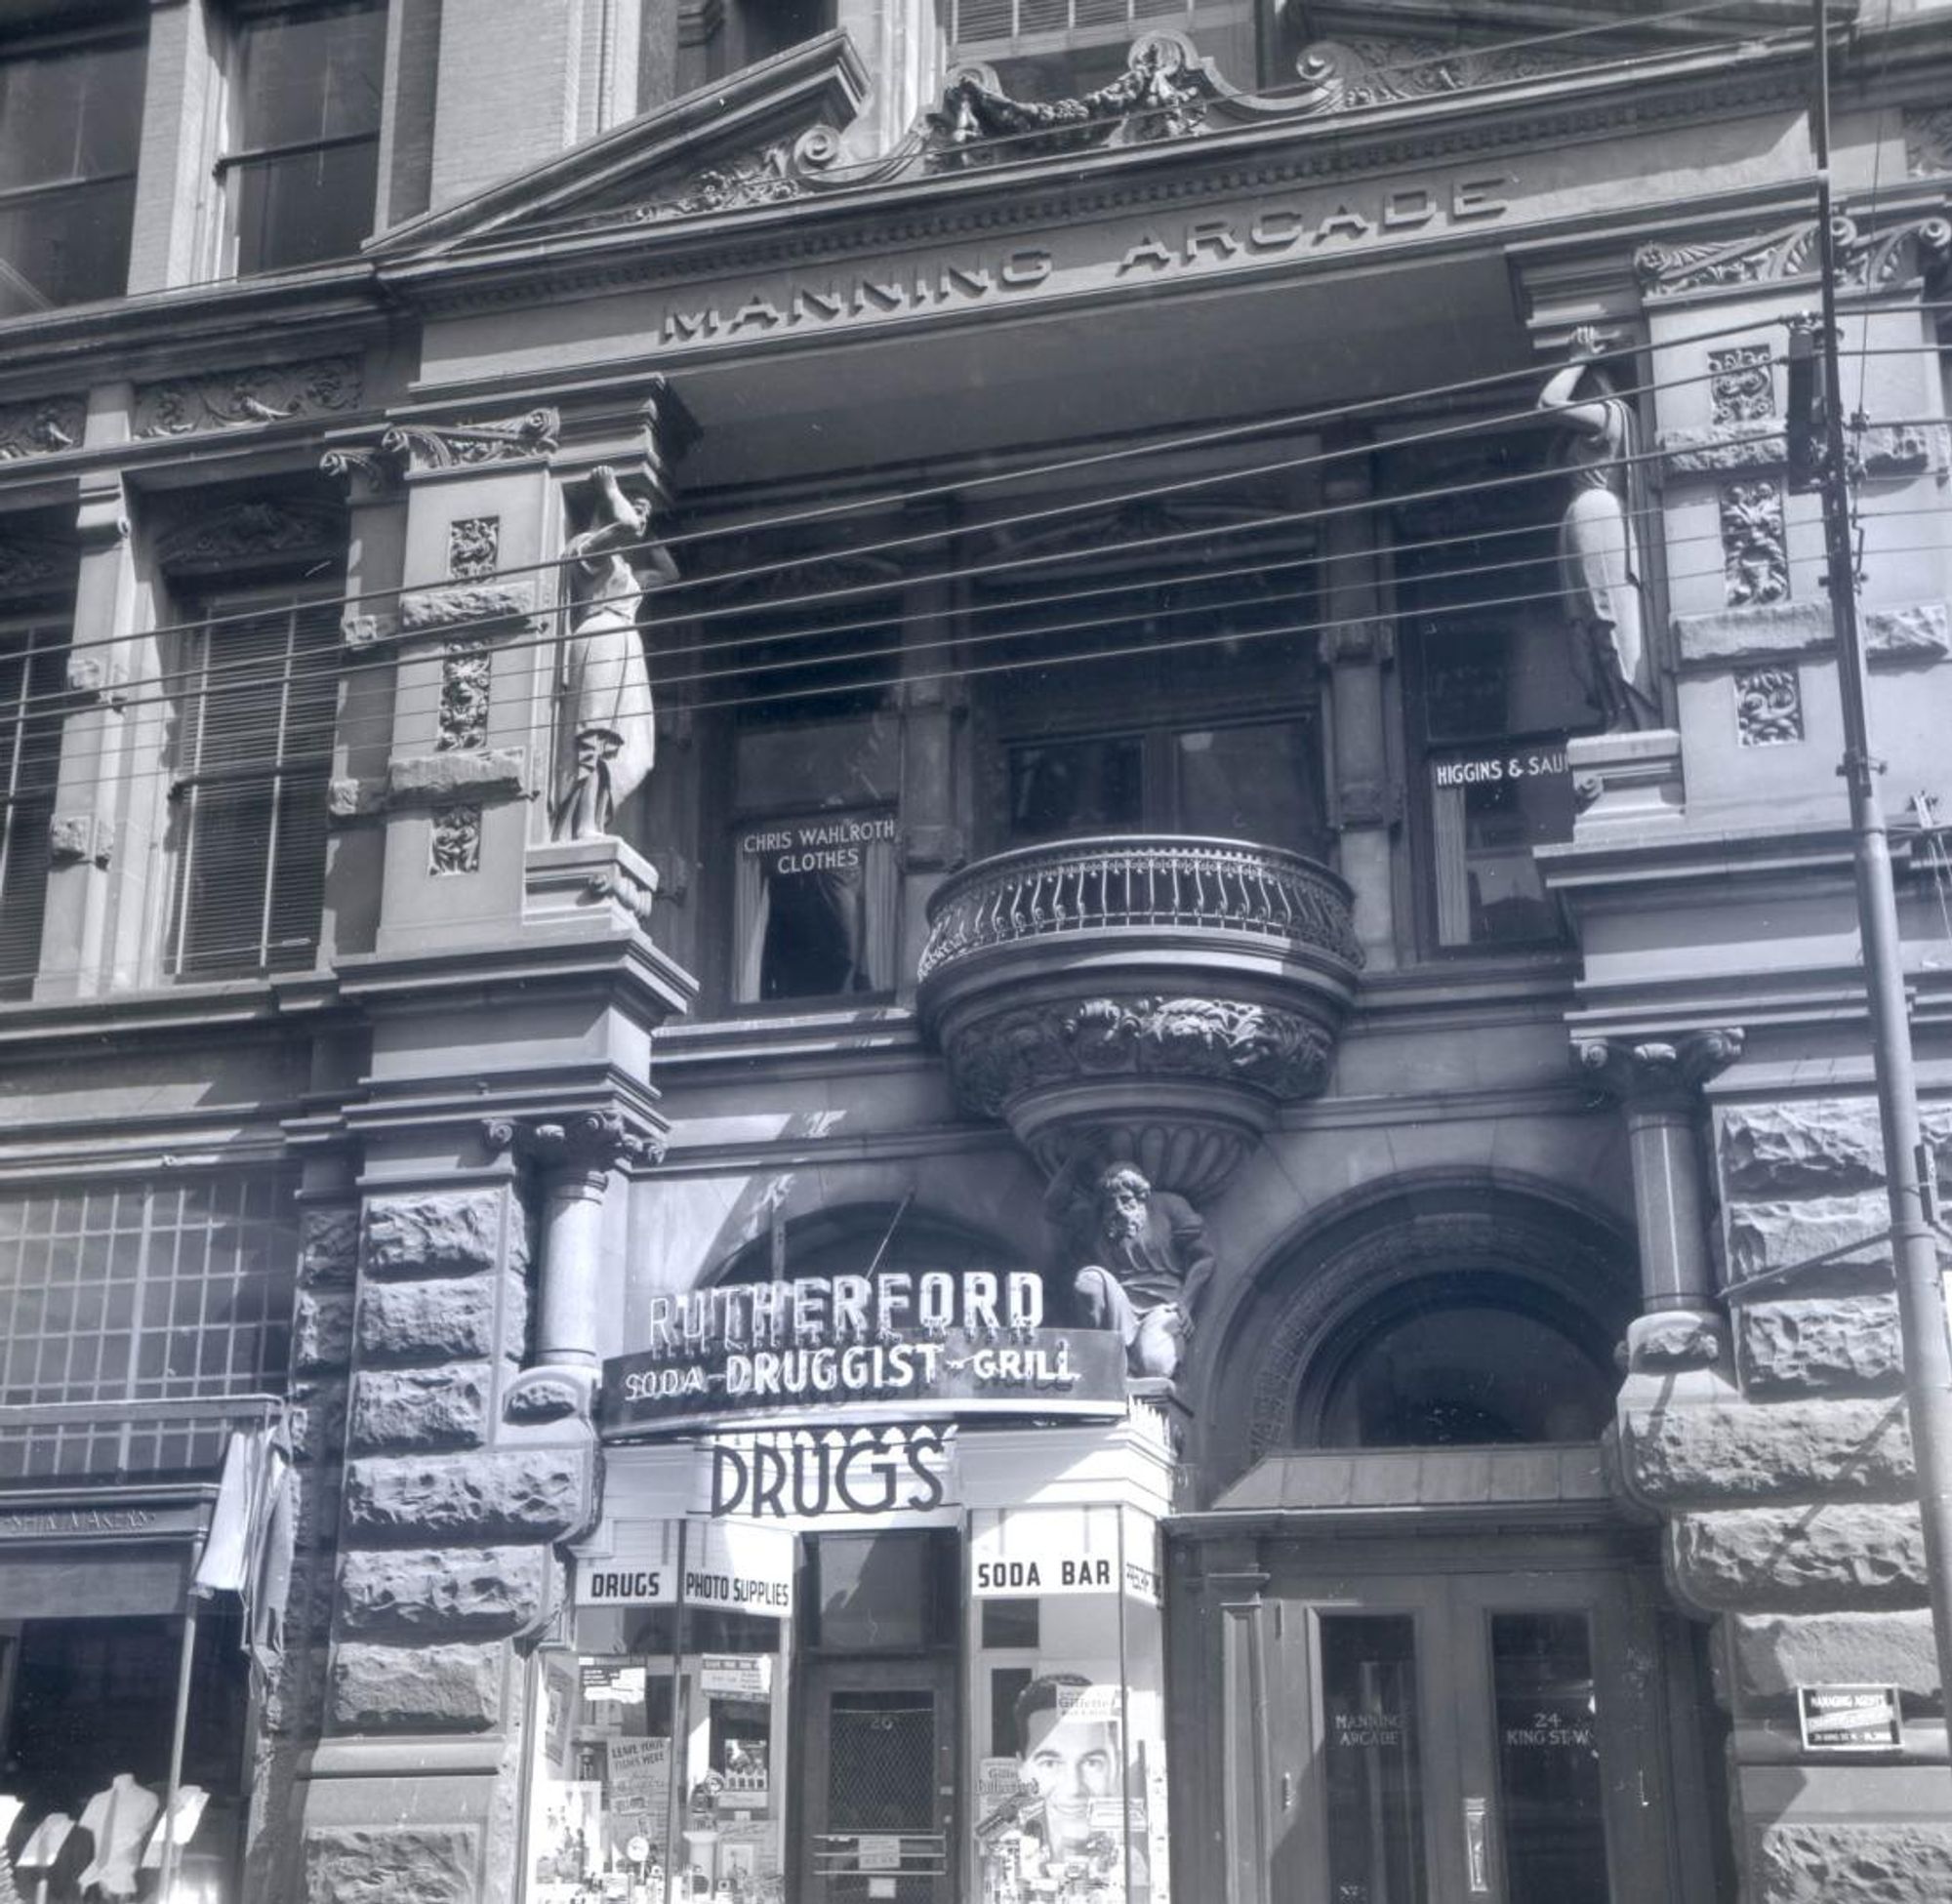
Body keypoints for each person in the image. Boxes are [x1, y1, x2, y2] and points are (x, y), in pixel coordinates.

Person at [1536, 326, 1656, 733]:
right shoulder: (1588, 429)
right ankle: (1615, 711)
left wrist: (1577, 359)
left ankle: (1631, 712)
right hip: (1581, 519)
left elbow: (1548, 402)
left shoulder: (1609, 415)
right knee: (1585, 627)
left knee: (1607, 620)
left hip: (1599, 516)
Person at [550, 465, 674, 841]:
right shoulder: (589, 548)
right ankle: (583, 823)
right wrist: (610, 489)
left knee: (625, 740)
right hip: (601, 634)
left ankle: (594, 817)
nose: (639, 514)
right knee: (596, 732)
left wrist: (648, 532)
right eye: (634, 506)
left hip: (624, 642)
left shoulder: (623, 567)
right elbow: (625, 526)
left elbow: (670, 575)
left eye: (644, 510)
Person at [1049, 1159, 1216, 1380]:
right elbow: (1052, 1209)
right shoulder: (1097, 1219)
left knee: (1155, 1368)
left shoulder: (1169, 1206)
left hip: (1163, 1305)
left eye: (1126, 1200)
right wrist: (1074, 1161)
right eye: (1111, 1202)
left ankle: (1131, 1364)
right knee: (1089, 1280)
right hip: (1120, 1303)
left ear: (1142, 1197)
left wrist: (1185, 1302)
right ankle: (1111, 1357)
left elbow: (1204, 1257)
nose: (1118, 1208)